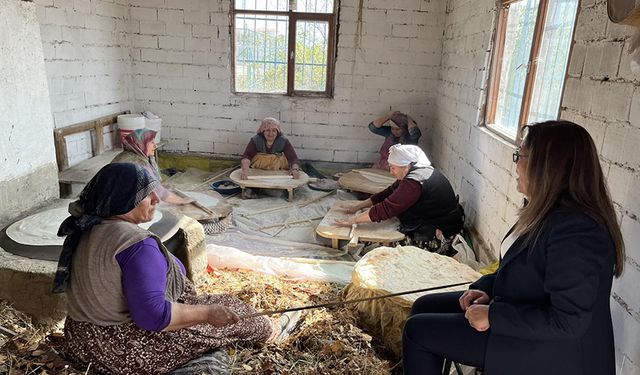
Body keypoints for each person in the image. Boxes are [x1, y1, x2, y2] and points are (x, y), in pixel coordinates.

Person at [402, 120, 625, 375]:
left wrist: (493, 316)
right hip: (522, 315)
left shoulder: (577, 231)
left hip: (550, 350)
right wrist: (485, 289)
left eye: (521, 155)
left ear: (548, 166)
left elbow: (568, 321)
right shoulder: (546, 210)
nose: (516, 164)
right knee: (422, 306)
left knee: (417, 332)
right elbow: (520, 269)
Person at [53, 163, 286, 374]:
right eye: (146, 194)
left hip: (81, 342)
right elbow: (152, 316)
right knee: (232, 309)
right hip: (122, 349)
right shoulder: (136, 244)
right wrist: (206, 313)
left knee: (213, 307)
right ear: (123, 198)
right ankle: (272, 331)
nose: (156, 199)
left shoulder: (87, 229)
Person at [336, 144, 463, 252]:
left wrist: (354, 220)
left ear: (406, 166)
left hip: (441, 229)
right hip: (436, 217)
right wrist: (359, 206)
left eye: (393, 167)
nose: (391, 171)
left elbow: (387, 208)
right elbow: (389, 192)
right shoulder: (416, 171)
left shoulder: (414, 182)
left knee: (388, 248)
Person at [112, 128, 190, 205]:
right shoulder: (139, 163)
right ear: (142, 144)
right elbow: (159, 192)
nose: (155, 146)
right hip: (119, 204)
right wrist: (183, 201)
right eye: (152, 142)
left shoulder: (125, 155)